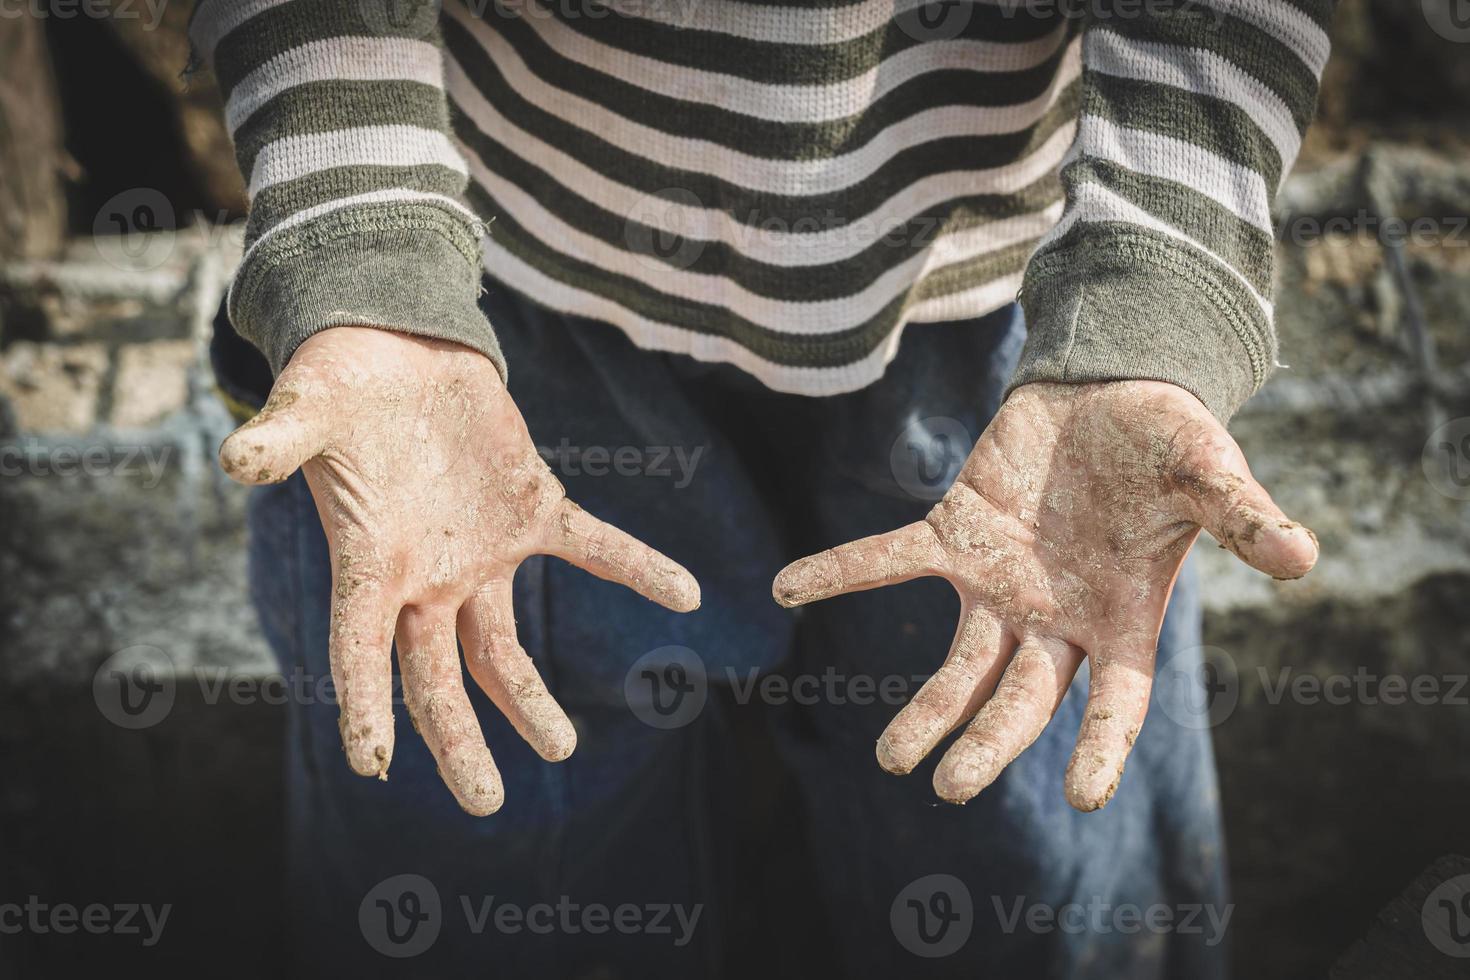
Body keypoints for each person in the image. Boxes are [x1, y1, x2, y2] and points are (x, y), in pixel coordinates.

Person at [192, 0, 1332, 975]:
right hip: (486, 300)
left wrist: (1155, 296)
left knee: (1025, 878)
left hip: (1011, 338)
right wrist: (362, 252)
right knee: (477, 885)